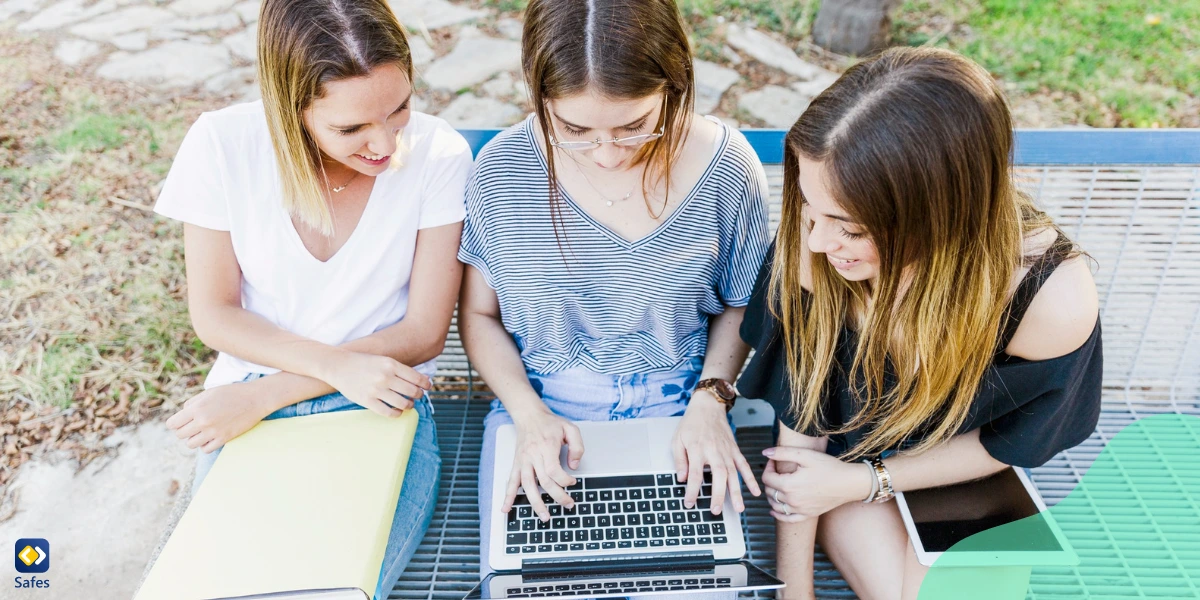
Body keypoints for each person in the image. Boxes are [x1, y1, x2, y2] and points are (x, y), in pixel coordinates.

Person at [737, 46, 1103, 600]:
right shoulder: (817, 254)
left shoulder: (1046, 301)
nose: (815, 243)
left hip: (962, 475)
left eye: (851, 228)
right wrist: (795, 592)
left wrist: (871, 481)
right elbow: (802, 435)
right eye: (810, 211)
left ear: (941, 216)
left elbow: (1013, 440)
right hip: (844, 462)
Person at [152, 0, 472, 596]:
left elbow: (426, 330)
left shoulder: (439, 154)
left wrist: (274, 390)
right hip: (252, 408)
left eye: (399, 108)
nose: (385, 145)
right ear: (288, 109)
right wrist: (327, 370)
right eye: (351, 129)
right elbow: (216, 311)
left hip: (379, 405)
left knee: (334, 588)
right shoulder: (222, 145)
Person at [456, 0, 770, 585]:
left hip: (682, 408)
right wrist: (528, 416)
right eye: (574, 129)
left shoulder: (727, 168)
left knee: (699, 582)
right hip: (541, 407)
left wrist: (711, 402)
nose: (607, 153)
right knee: (532, 584)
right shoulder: (502, 171)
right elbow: (478, 315)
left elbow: (741, 304)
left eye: (633, 125)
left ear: (673, 85)